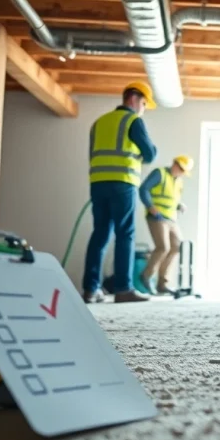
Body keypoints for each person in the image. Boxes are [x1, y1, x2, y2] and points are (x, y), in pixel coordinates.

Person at [82, 81, 159, 304]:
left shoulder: (99, 123)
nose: (143, 108)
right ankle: (123, 289)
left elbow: (93, 155)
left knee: (100, 234)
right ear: (134, 99)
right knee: (125, 233)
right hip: (123, 182)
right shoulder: (133, 120)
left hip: (98, 183)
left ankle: (90, 289)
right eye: (144, 103)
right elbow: (150, 154)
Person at [138, 155, 192, 295]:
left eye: (183, 170)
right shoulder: (159, 174)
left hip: (171, 218)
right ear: (174, 163)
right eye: (179, 168)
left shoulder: (179, 182)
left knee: (176, 246)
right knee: (163, 247)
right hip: (157, 217)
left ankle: (162, 283)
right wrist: (151, 207)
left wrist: (179, 205)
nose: (180, 172)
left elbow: (172, 198)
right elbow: (143, 189)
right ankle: (146, 276)